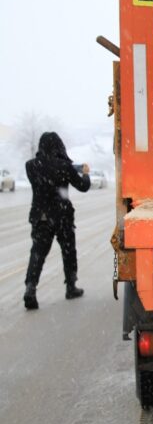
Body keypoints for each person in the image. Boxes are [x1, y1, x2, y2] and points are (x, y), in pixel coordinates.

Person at [23, 132, 91, 310]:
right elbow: (83, 187)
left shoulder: (31, 166)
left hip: (41, 216)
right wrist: (84, 174)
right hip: (62, 216)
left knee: (37, 253)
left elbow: (42, 175)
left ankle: (30, 288)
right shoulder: (64, 166)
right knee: (68, 251)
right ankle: (71, 286)